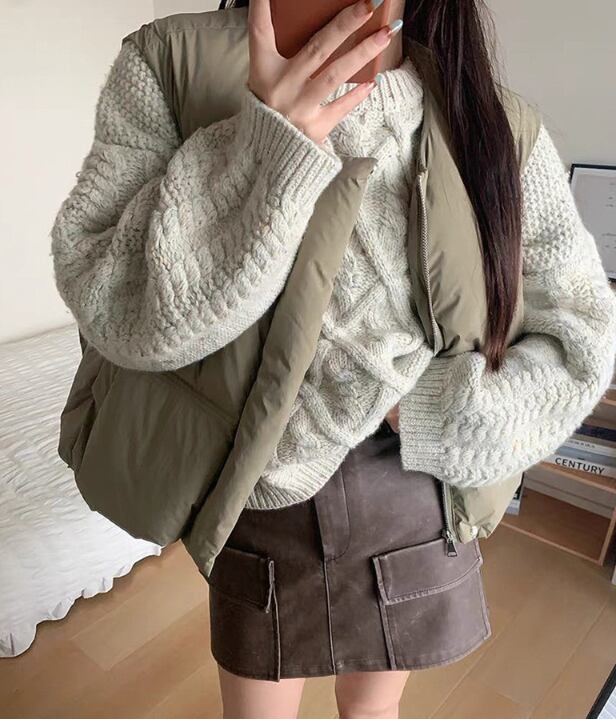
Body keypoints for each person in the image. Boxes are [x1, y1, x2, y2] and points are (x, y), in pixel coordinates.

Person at [49, 0, 616, 717]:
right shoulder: (168, 65)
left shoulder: (494, 119)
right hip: (258, 492)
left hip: (416, 492)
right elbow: (110, 299)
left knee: (373, 713)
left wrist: (430, 408)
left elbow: (583, 334)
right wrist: (266, 148)